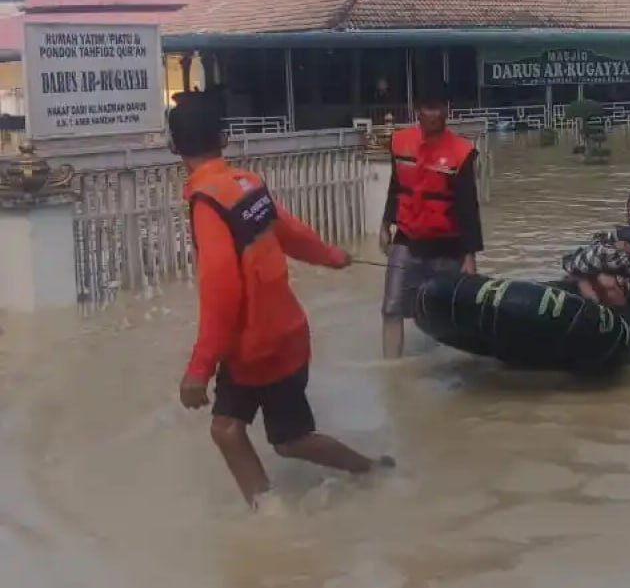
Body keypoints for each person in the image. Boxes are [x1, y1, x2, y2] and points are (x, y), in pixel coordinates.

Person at [170, 93, 388, 507]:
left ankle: (347, 480)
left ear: (173, 147)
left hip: (255, 349)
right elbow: (290, 232)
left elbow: (222, 292)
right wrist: (332, 256)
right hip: (286, 334)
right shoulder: (246, 185)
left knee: (270, 437)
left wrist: (198, 369)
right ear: (224, 139)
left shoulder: (208, 203)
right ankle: (285, 503)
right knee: (251, 433)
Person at [380, 91, 483, 359]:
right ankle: (392, 370)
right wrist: (385, 223)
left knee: (447, 314)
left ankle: (448, 370)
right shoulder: (400, 142)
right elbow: (396, 187)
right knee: (391, 308)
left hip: (447, 246)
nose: (435, 114)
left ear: (447, 109)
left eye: (440, 106)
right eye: (428, 107)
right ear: (417, 109)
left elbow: (468, 207)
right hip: (407, 239)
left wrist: (469, 255)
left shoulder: (461, 152)